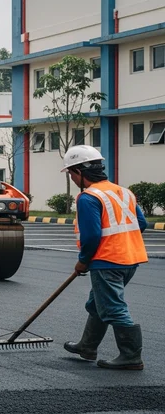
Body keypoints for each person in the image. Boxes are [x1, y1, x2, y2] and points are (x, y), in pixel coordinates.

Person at [61, 145, 147, 370]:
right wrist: (122, 242)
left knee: (113, 307)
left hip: (107, 261)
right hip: (130, 259)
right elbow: (142, 223)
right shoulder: (124, 192)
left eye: (70, 173)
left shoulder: (87, 197)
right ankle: (87, 346)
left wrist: (83, 261)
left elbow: (91, 236)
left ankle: (131, 356)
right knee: (98, 302)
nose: (71, 178)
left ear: (79, 171)